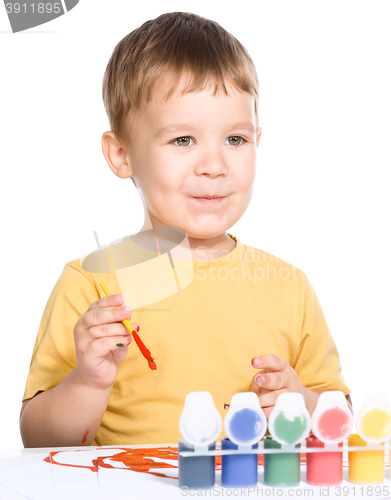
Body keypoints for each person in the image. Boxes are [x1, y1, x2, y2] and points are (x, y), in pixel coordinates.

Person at [20, 11, 351, 448]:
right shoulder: (92, 285)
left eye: (235, 139)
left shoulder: (289, 287)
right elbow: (37, 440)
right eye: (182, 140)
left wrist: (303, 403)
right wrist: (88, 383)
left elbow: (340, 417)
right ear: (122, 155)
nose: (214, 166)